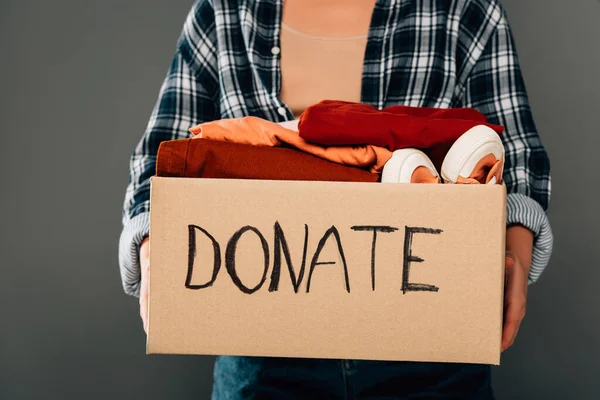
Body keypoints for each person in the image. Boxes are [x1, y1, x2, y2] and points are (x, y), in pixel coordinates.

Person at [119, 0, 553, 398]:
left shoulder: (462, 10)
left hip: (432, 351)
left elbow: (513, 153)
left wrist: (514, 244)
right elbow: (161, 153)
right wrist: (154, 243)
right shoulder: (225, 11)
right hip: (262, 353)